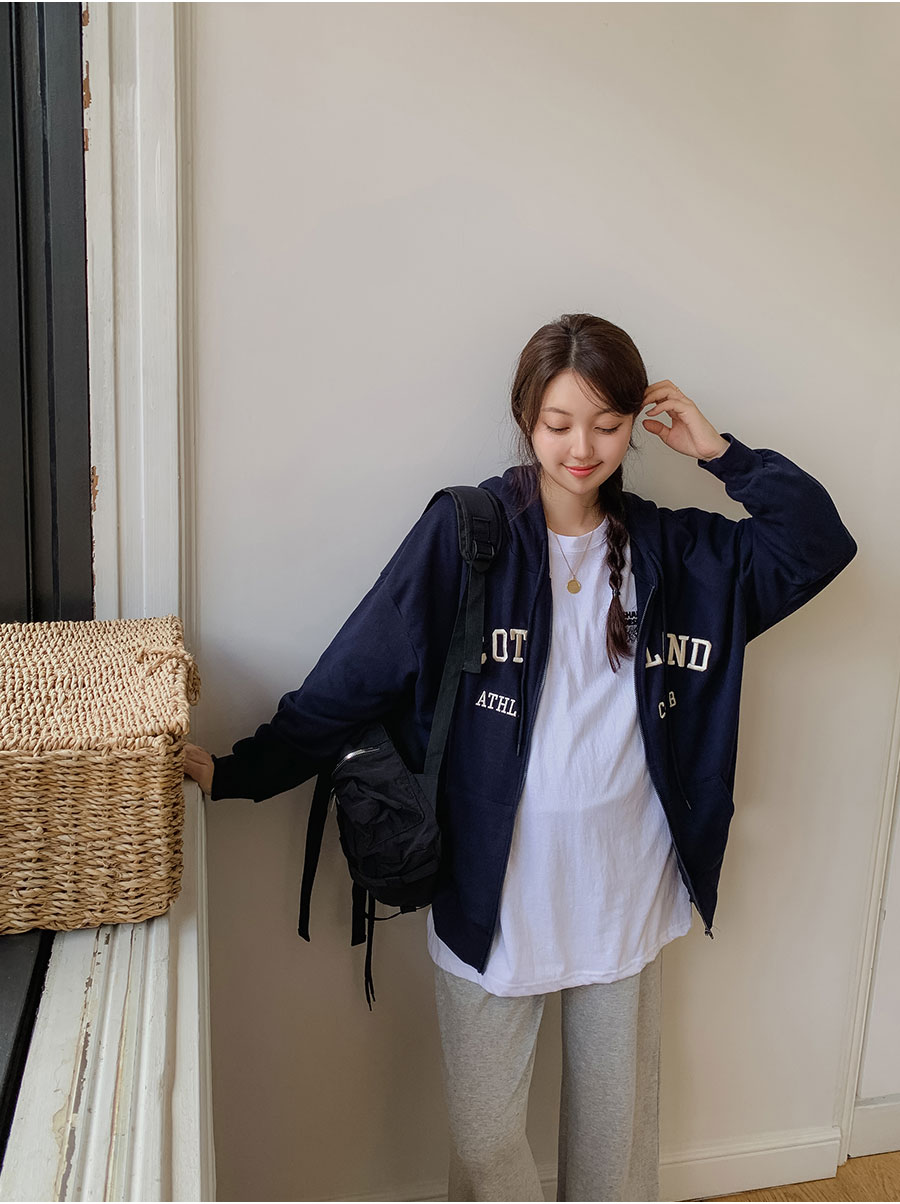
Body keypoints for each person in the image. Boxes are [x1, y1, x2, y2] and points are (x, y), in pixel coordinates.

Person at [184, 313, 857, 1202]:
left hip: (622, 889)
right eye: (558, 423)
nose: (582, 448)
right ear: (525, 418)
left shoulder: (675, 553)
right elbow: (356, 673)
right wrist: (242, 772)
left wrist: (721, 453)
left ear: (634, 424)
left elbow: (817, 545)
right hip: (491, 891)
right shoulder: (469, 536)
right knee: (485, 1141)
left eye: (607, 425)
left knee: (614, 1149)